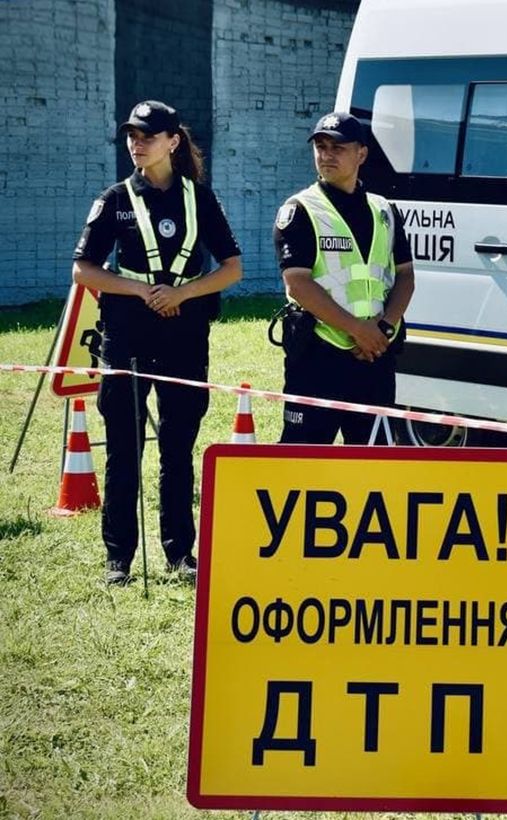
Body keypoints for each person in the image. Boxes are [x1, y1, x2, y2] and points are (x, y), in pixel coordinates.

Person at [72, 100, 243, 585]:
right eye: (131, 135)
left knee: (177, 448)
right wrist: (141, 291)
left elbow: (233, 268)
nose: (136, 143)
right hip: (126, 334)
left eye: (147, 135)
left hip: (184, 337)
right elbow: (83, 269)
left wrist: (182, 294)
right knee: (124, 450)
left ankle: (180, 553)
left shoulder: (200, 199)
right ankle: (118, 559)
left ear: (173, 141)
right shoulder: (115, 199)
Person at [273, 111, 414, 445]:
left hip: (375, 355)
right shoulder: (300, 210)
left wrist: (383, 329)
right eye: (320, 147)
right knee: (304, 458)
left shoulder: (385, 211)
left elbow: (405, 276)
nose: (326, 155)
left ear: (361, 154)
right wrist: (358, 330)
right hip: (319, 354)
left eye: (337, 148)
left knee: (374, 461)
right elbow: (298, 283)